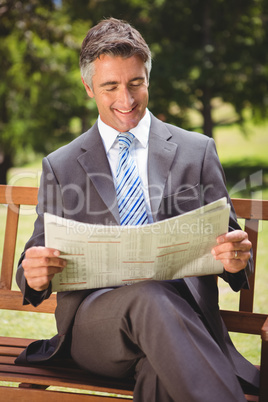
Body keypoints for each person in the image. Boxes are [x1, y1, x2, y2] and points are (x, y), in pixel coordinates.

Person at [16, 18, 259, 401]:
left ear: (148, 78)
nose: (126, 101)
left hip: (180, 325)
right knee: (148, 295)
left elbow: (233, 246)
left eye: (135, 84)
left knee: (158, 370)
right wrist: (35, 272)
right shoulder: (61, 165)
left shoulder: (196, 151)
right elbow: (32, 267)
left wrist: (234, 258)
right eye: (110, 87)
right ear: (88, 87)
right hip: (97, 328)